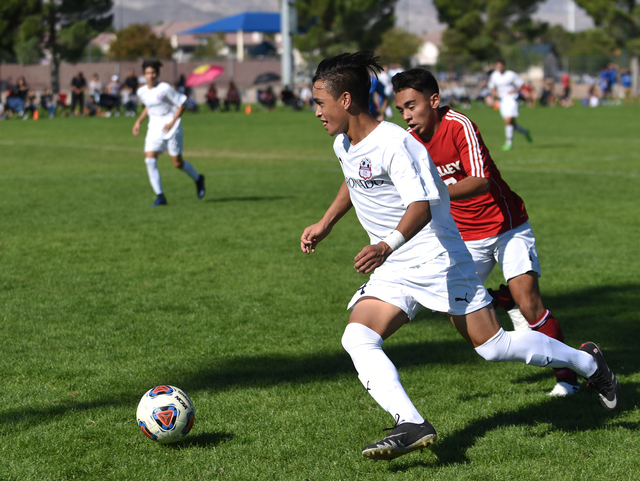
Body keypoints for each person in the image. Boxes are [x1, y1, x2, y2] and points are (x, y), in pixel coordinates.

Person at [300, 50, 620, 462]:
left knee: (493, 346)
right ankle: (411, 422)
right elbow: (353, 178)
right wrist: (326, 222)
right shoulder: (345, 143)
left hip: (436, 258)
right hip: (395, 265)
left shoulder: (395, 143)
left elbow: (421, 206)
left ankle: (589, 364)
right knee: (357, 337)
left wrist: (384, 245)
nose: (315, 113)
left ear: (346, 101)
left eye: (319, 103)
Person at [393, 68, 582, 397]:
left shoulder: (459, 126)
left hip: (505, 227)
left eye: (412, 106)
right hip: (464, 238)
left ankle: (567, 378)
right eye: (401, 111)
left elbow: (480, 181)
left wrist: (432, 196)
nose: (407, 117)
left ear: (434, 101)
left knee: (530, 306)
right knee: (452, 307)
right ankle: (499, 299)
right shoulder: (408, 142)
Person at [133, 59, 206, 206]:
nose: (151, 75)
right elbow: (149, 107)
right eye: (148, 73)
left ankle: (198, 179)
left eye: (153, 72)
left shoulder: (165, 88)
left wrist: (172, 122)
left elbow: (182, 104)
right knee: (149, 160)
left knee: (177, 163)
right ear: (144, 74)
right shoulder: (141, 91)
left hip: (172, 129)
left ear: (158, 74)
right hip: (154, 129)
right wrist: (139, 121)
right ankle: (160, 196)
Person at [488, 60, 532, 151]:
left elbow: (521, 83)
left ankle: (509, 143)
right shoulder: (494, 76)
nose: (500, 68)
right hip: (502, 100)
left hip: (512, 99)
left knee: (508, 120)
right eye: (498, 66)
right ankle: (525, 132)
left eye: (501, 66)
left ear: (504, 66)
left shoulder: (510, 74)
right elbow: (491, 87)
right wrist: (494, 93)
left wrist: (514, 91)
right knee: (512, 124)